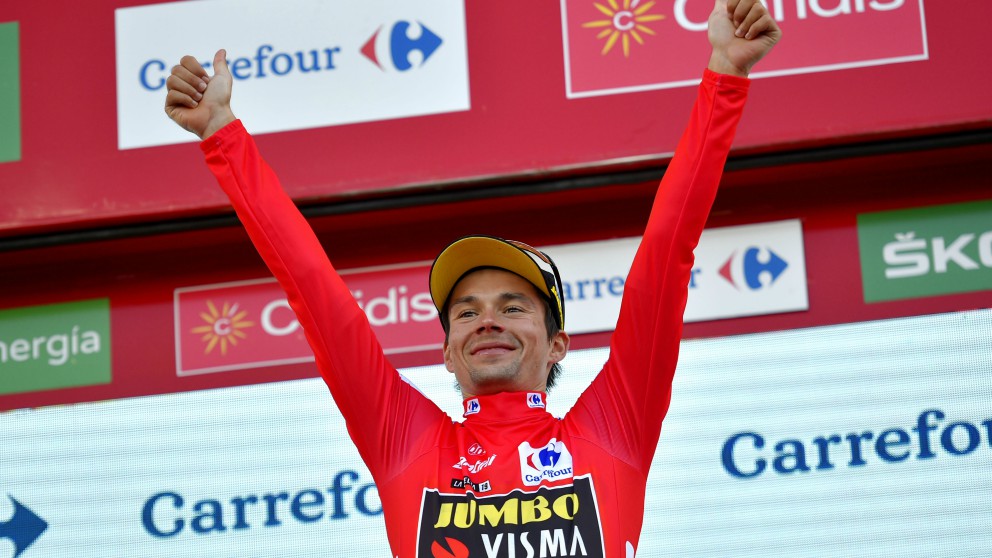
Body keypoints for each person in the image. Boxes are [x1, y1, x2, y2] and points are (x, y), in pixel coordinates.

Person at [164, 0, 780, 555]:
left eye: (514, 307)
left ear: (559, 342)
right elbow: (314, 290)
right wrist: (221, 135)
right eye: (466, 311)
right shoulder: (408, 441)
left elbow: (666, 254)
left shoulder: (612, 428)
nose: (487, 319)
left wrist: (725, 77)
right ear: (448, 353)